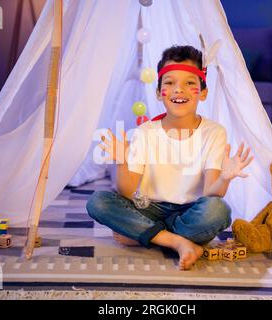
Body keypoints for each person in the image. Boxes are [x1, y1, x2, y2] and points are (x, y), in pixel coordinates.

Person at [86, 45, 253, 270]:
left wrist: (225, 178)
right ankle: (177, 241)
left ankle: (146, 235)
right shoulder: (146, 132)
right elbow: (127, 191)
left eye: (190, 83)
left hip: (188, 212)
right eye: (170, 83)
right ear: (159, 92)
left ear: (203, 93)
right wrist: (122, 161)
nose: (179, 90)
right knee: (98, 201)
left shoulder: (214, 132)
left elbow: (212, 193)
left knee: (218, 211)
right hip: (148, 208)